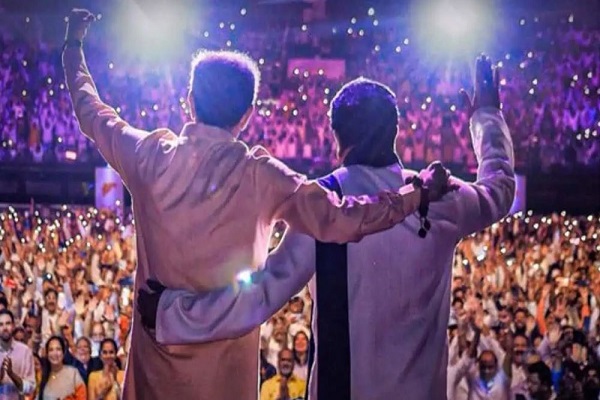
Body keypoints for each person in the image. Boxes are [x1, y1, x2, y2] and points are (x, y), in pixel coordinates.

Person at [61, 9, 454, 400]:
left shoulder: (147, 157)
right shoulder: (262, 176)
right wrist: (414, 196)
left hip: (154, 378)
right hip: (226, 383)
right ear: (248, 116)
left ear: (189, 103)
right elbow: (342, 217)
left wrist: (73, 44)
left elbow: (89, 110)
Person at [138, 55, 516, 399]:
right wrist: (486, 117)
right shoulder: (440, 197)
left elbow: (260, 295)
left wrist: (172, 315)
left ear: (336, 138)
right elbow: (499, 188)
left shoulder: (325, 207)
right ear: (395, 131)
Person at [0, 310, 36, 400]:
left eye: (8, 323)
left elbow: (31, 388)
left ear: (13, 326)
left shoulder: (25, 351)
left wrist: (12, 375)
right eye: (1, 324)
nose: (5, 328)